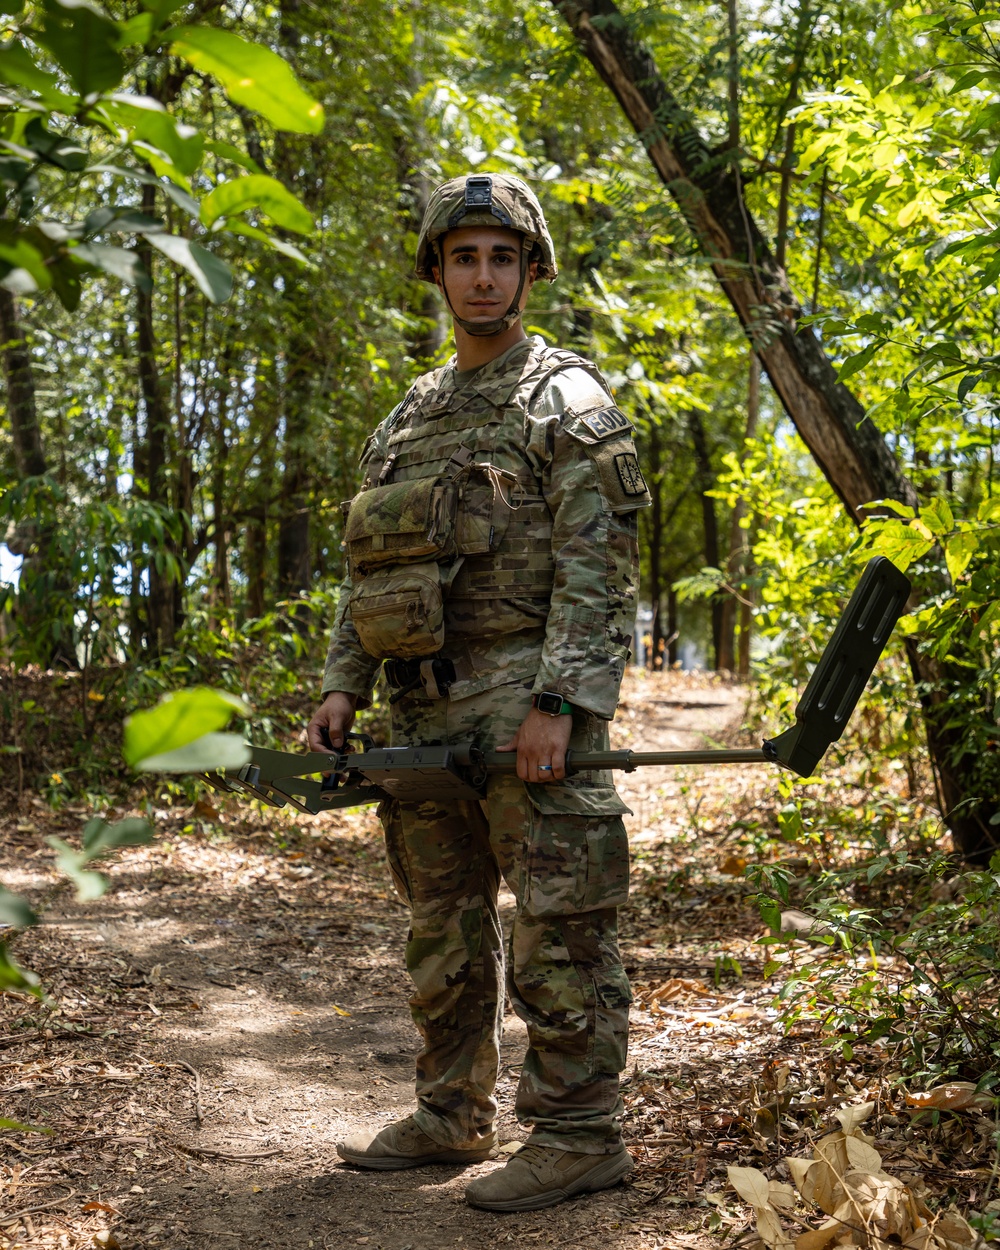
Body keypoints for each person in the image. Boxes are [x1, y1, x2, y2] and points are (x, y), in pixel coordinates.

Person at [306, 172, 650, 1212]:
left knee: (560, 920)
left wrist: (562, 699)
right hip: (419, 716)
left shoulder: (566, 398)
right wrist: (339, 688)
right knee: (440, 930)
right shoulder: (408, 416)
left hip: (526, 711)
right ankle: (450, 1111)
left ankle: (581, 1130)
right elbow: (370, 566)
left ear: (531, 269)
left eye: (503, 256)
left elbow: (601, 566)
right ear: (437, 271)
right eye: (464, 256)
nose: (483, 275)